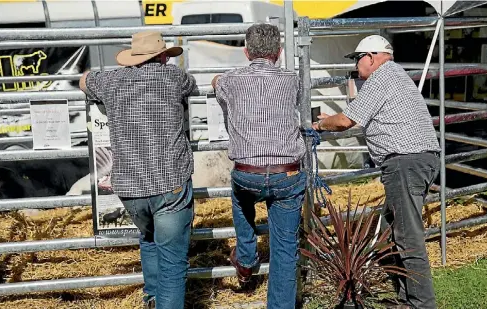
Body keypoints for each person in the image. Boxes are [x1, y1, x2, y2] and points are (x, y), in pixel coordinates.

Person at [312, 35, 440, 309]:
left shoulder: (381, 78)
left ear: (371, 57)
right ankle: (408, 299)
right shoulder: (394, 75)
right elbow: (356, 116)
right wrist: (329, 120)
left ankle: (421, 304)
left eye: (357, 59)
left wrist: (319, 127)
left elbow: (347, 120)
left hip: (404, 162)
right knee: (390, 237)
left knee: (406, 238)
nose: (356, 66)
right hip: (414, 160)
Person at [80, 31, 197, 309]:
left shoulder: (111, 80)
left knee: (148, 236)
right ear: (162, 57)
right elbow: (191, 83)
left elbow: (84, 80)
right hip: (170, 183)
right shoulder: (173, 77)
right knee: (172, 262)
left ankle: (152, 299)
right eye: (166, 56)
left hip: (131, 188)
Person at [212, 23, 307, 309]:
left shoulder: (230, 81)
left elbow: (216, 83)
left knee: (241, 199)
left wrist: (217, 80)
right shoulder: (293, 80)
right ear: (279, 52)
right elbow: (298, 104)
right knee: (285, 250)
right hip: (286, 172)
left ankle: (246, 257)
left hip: (247, 173)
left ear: (246, 51)